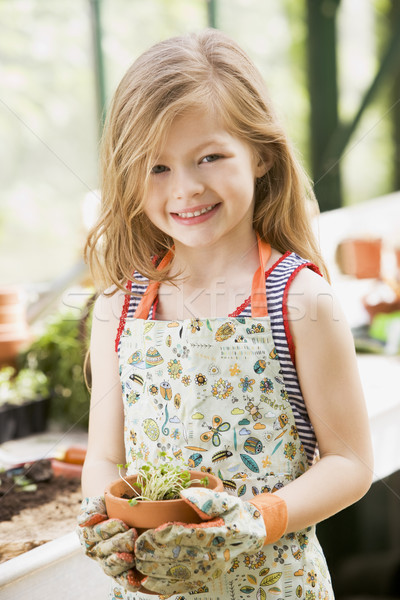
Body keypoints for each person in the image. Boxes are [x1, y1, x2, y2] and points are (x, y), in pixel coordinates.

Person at [77, 29, 373, 600]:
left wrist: (257, 519)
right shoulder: (118, 304)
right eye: (156, 167)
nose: (185, 188)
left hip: (276, 587)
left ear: (261, 154)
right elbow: (105, 455)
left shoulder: (300, 300)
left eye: (210, 157)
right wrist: (104, 520)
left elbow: (351, 462)